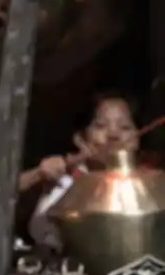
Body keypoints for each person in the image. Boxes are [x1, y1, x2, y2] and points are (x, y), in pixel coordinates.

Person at [26, 91, 140, 258]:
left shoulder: (151, 184)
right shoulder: (67, 178)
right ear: (81, 139)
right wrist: (38, 174)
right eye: (101, 125)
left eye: (125, 127)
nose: (113, 135)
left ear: (137, 138)